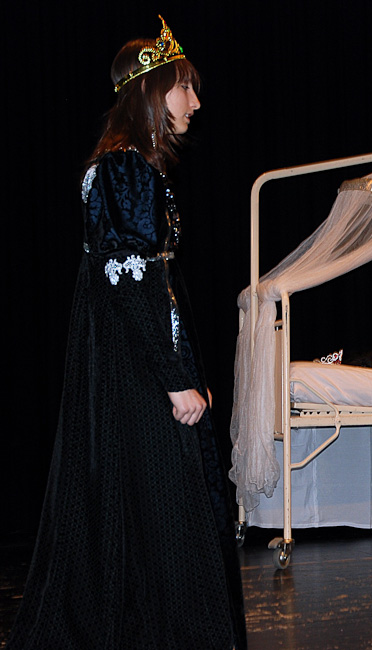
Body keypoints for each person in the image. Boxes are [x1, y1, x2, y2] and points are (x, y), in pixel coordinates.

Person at [7, 17, 246, 649]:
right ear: (151, 91)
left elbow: (149, 282)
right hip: (137, 368)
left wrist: (186, 370)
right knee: (163, 501)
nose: (195, 102)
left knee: (146, 502)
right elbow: (131, 283)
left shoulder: (133, 168)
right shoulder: (124, 170)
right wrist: (174, 378)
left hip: (139, 360)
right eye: (184, 87)